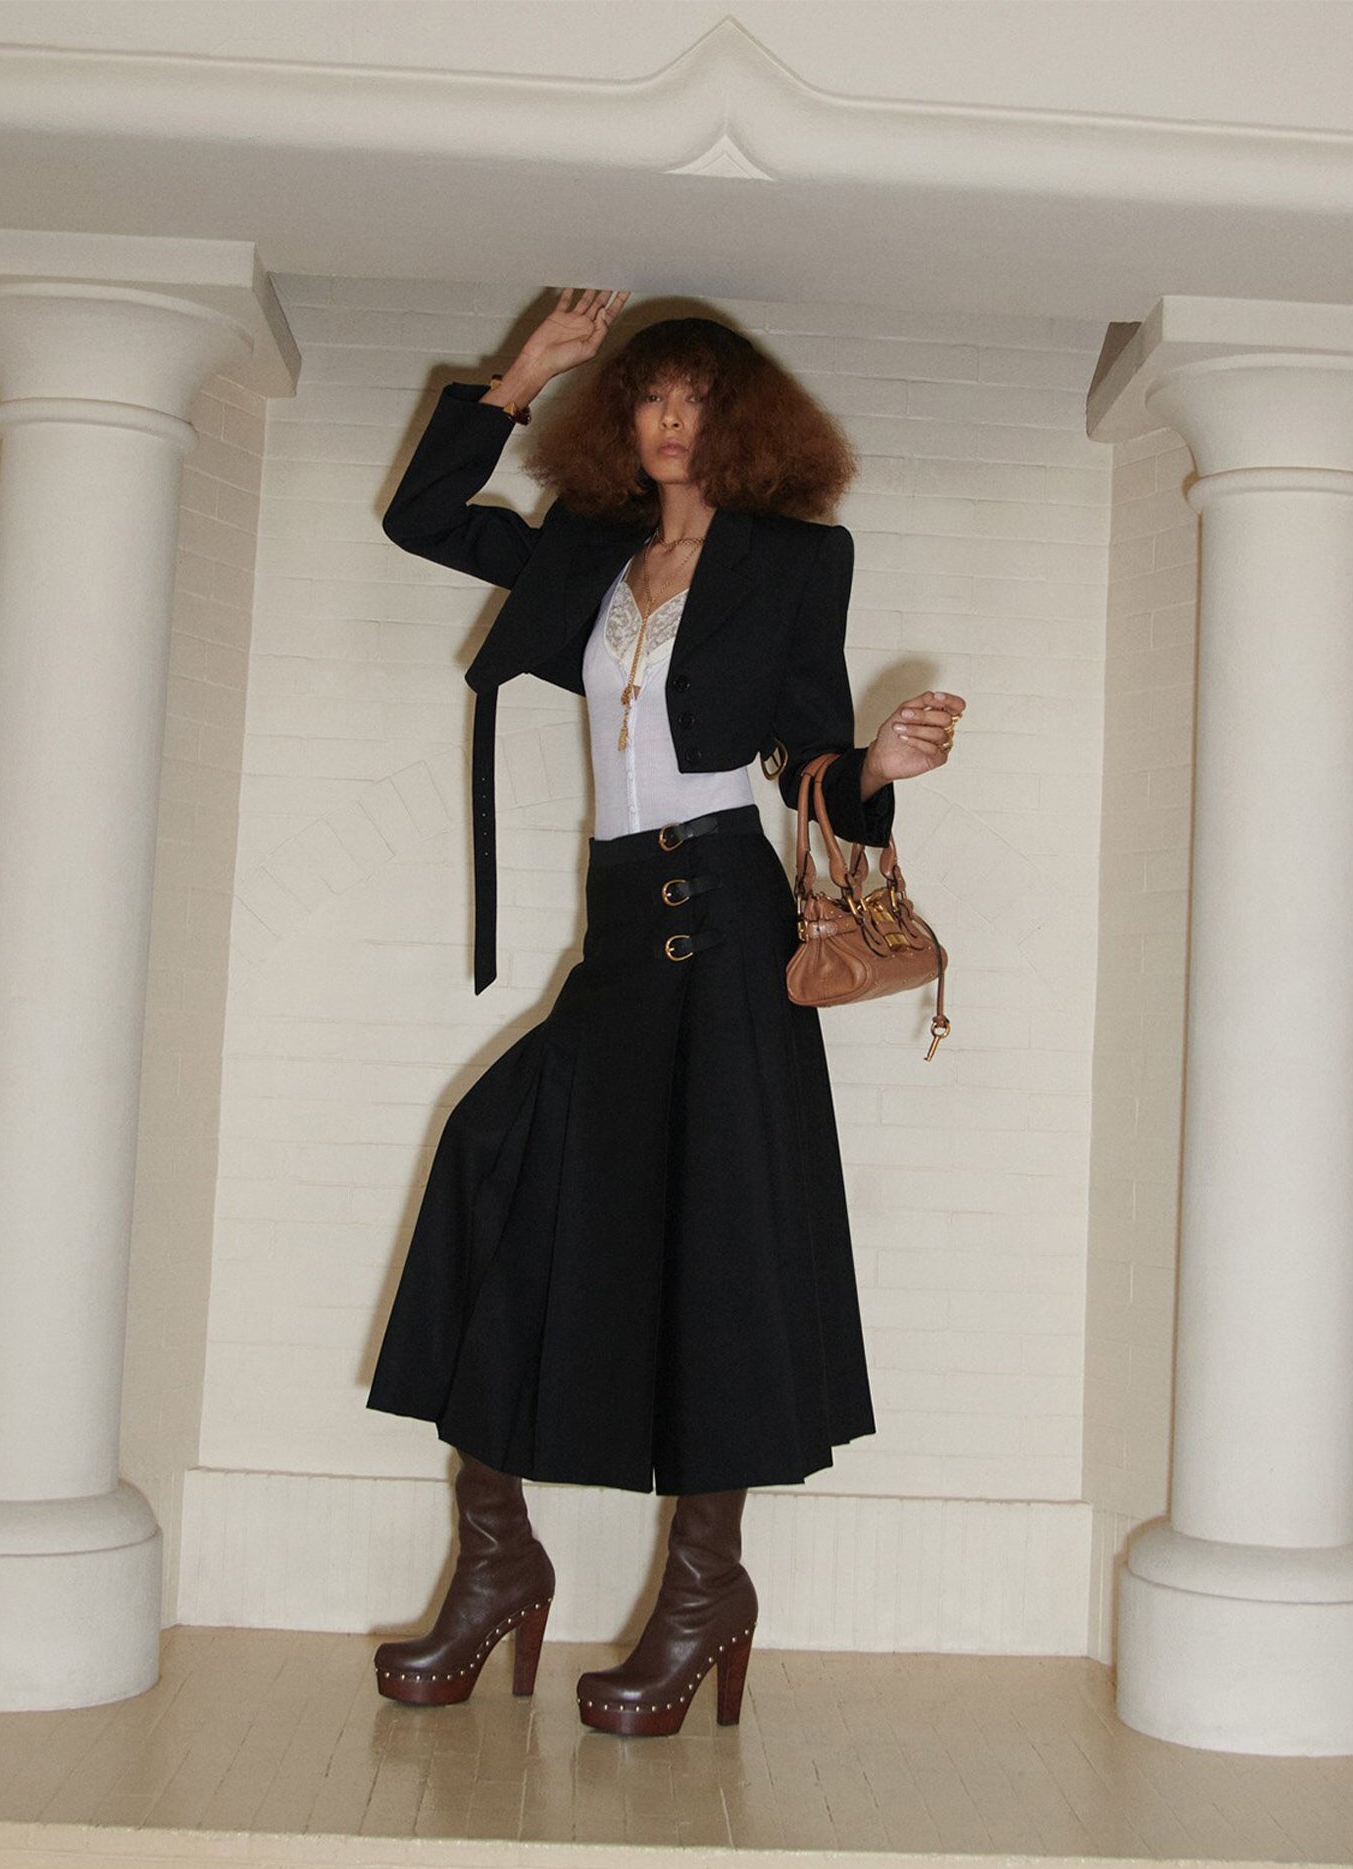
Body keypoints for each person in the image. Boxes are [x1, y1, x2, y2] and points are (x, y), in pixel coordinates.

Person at [366, 289, 963, 1737]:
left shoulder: (791, 560)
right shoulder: (582, 553)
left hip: (732, 923)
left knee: (723, 1256)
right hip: (625, 933)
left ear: (740, 416)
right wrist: (517, 373)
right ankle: (498, 1557)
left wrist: (873, 757)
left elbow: (808, 747)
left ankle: (706, 1591)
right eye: (649, 394)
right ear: (619, 418)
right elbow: (424, 518)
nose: (673, 417)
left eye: (698, 394)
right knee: (491, 1167)